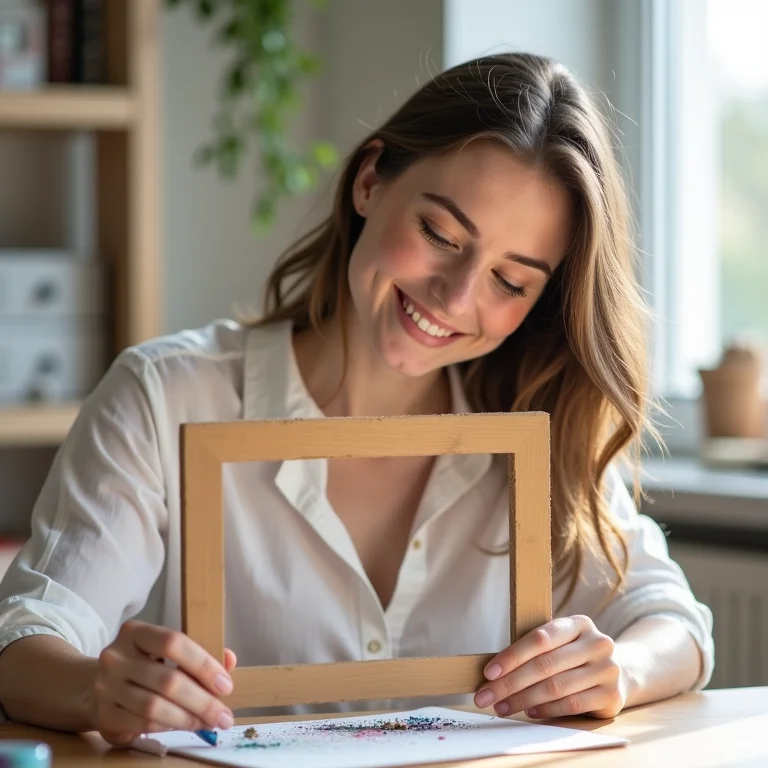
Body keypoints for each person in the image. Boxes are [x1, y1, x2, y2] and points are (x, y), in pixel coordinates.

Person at [0, 52, 713, 747]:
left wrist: (616, 669)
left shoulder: (542, 425)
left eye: (512, 281)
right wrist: (98, 688)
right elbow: (27, 638)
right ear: (371, 181)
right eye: (440, 233)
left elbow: (672, 621)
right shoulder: (164, 397)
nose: (456, 296)